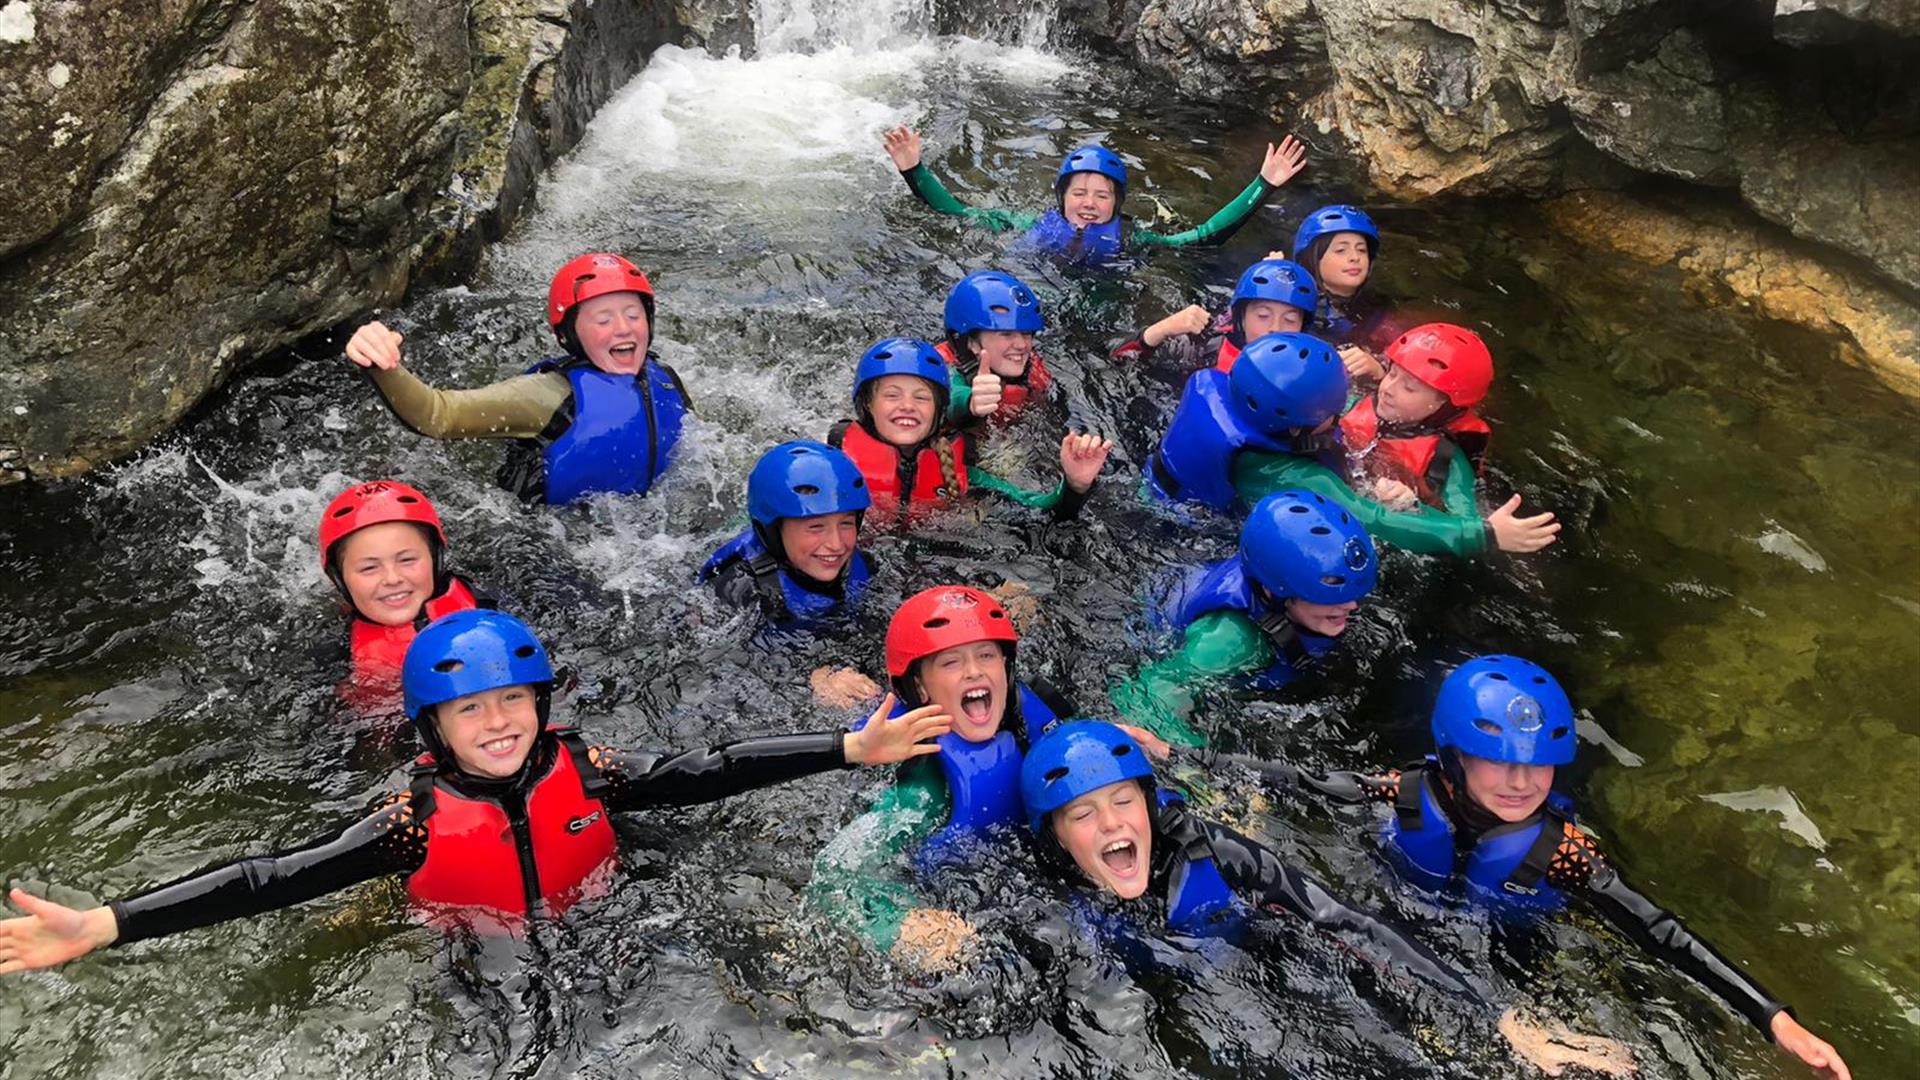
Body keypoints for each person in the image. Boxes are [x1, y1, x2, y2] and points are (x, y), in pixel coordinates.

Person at [0, 611, 951, 966]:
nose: (498, 724)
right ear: (433, 730)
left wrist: (842, 749)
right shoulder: (408, 824)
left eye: (513, 704)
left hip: (602, 907)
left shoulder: (588, 771)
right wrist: (107, 924)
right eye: (471, 712)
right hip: (469, 935)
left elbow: (708, 771)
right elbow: (269, 877)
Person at [1191, 656, 1852, 1080]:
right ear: (1453, 758)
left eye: (1537, 764)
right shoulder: (1410, 788)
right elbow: (1311, 782)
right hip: (1401, 919)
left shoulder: (1561, 852)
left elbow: (1661, 932)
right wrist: (1195, 761)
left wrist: (1774, 1018)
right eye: (1499, 760)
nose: (1521, 781)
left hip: (1510, 942)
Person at [1019, 721, 1639, 1076]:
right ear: (1055, 834)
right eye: (1083, 814)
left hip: (1254, 962)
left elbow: (1344, 919)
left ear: (1151, 808)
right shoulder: (1039, 894)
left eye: (1124, 802)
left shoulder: (1212, 853)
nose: (1111, 825)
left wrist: (1501, 1018)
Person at [1147, 329, 1558, 556]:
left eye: (1408, 385)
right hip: (1184, 532)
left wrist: (1418, 500)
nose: (1389, 389)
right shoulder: (1295, 473)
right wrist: (1484, 535)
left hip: (1157, 489)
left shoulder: (1225, 390)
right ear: (1298, 426)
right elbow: (1373, 519)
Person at [344, 253, 691, 504]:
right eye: (603, 320)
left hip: (644, 532)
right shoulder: (545, 396)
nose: (623, 328)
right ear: (570, 334)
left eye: (633, 315)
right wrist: (383, 366)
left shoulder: (665, 380)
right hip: (550, 545)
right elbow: (438, 414)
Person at [1113, 490, 1376, 748]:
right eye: (1329, 597)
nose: (1352, 605)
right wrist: (1185, 756)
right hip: (1155, 624)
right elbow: (1153, 688)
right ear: (1274, 592)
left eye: (1355, 592)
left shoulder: (1282, 578)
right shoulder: (1233, 639)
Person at [880, 128, 1308, 264]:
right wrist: (914, 169)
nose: (1089, 202)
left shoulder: (1133, 242)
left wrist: (1263, 184)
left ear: (1116, 205)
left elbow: (1203, 237)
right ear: (1062, 198)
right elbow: (956, 211)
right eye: (1079, 192)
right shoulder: (1030, 224)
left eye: (1101, 196)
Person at [827, 337, 1110, 527]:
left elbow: (1036, 509)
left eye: (922, 398)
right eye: (892, 395)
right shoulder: (835, 460)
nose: (907, 406)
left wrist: (1075, 486)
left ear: (939, 410)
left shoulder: (959, 468)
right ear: (867, 404)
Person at [318, 479, 486, 691]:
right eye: (369, 568)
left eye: (407, 560)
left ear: (435, 559)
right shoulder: (334, 655)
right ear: (339, 579)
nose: (392, 578)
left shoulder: (487, 602)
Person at [698, 441, 874, 629]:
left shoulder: (866, 565)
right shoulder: (737, 589)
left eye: (846, 524)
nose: (836, 544)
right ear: (772, 530)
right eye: (816, 527)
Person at [1339, 323, 1494, 512]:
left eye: (1409, 388)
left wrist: (1414, 506)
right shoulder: (1357, 404)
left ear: (1443, 406)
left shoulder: (1448, 461)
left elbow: (1465, 523)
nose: (1388, 389)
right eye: (1392, 373)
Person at [1111, 256, 1318, 374]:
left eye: (1290, 319)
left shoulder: (1315, 367)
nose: (1276, 328)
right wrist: (1162, 329)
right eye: (1263, 315)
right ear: (1241, 319)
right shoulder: (1204, 349)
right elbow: (1116, 361)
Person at [939, 269, 1052, 427]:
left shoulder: (1035, 369)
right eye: (1006, 334)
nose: (1021, 345)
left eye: (1026, 333)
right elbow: (949, 397)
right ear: (970, 341)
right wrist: (970, 402)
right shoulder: (940, 369)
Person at [1291, 204, 1389, 377]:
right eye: (1341, 250)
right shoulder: (1294, 304)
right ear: (1313, 258)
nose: (1355, 257)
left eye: (1361, 250)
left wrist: (1378, 371)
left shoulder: (1379, 311)